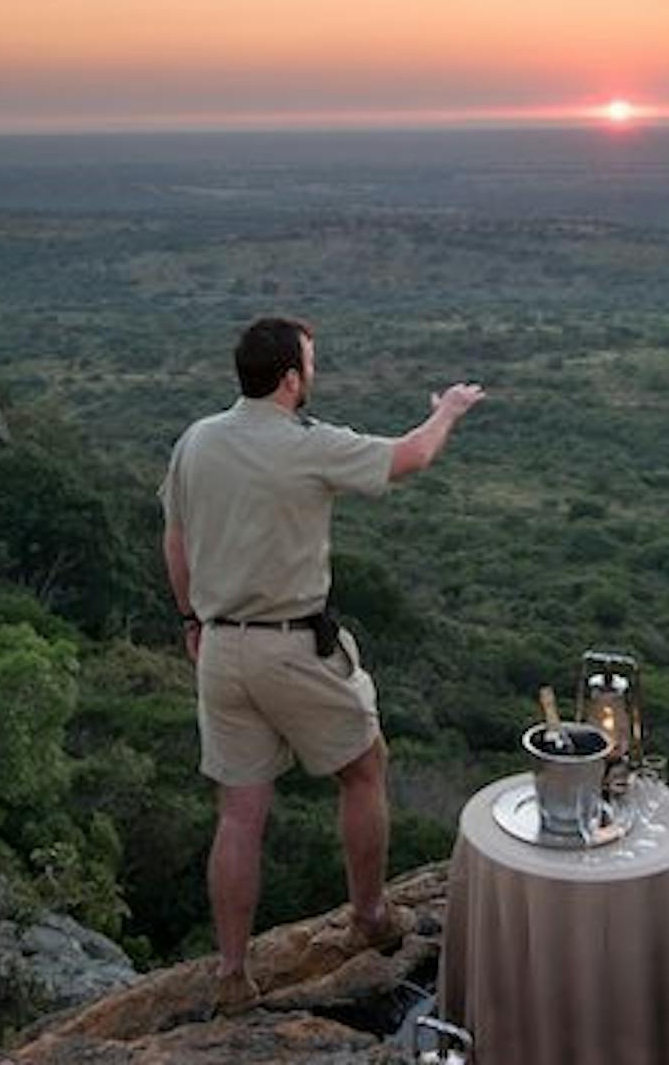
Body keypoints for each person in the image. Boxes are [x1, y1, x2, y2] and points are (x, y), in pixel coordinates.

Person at [161, 315, 485, 1011]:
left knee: (240, 813)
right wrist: (448, 411)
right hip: (291, 643)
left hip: (220, 648)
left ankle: (230, 972)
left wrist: (191, 619)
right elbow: (412, 458)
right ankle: (370, 917)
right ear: (289, 380)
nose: (315, 372)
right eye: (310, 363)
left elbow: (176, 538)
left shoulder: (197, 440)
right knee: (365, 767)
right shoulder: (306, 445)